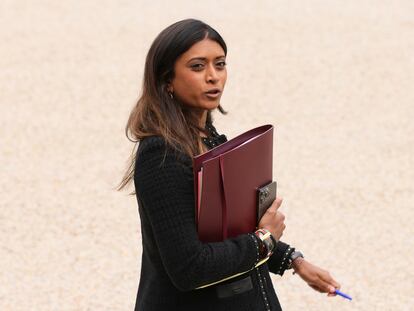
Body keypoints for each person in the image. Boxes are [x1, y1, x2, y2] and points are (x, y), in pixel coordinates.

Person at [117, 18, 341, 311]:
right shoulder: (162, 155)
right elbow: (189, 267)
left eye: (220, 64)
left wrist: (294, 260)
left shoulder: (212, 139)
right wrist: (265, 239)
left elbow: (230, 229)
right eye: (197, 66)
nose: (213, 76)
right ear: (166, 79)